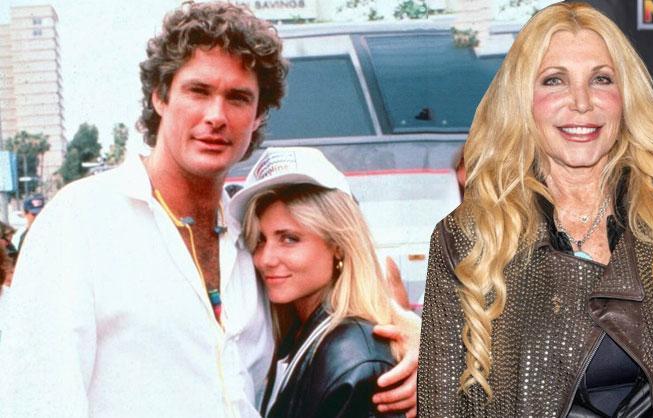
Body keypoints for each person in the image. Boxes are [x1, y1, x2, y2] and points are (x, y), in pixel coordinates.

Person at [0, 3, 417, 418]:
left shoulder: (248, 237)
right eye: (198, 91)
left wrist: (412, 344)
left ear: (258, 116)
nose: (216, 116)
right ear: (160, 96)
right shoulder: (80, 221)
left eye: (238, 98)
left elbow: (349, 288)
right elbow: (36, 401)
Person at [418, 2, 653, 417]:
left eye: (601, 79)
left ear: (625, 97)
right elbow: (442, 407)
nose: (582, 102)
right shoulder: (469, 236)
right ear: (522, 100)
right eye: (554, 81)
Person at [228, 147, 405, 418]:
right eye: (260, 240)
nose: (265, 259)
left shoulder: (354, 360)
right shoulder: (295, 336)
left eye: (289, 239)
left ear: (339, 246)